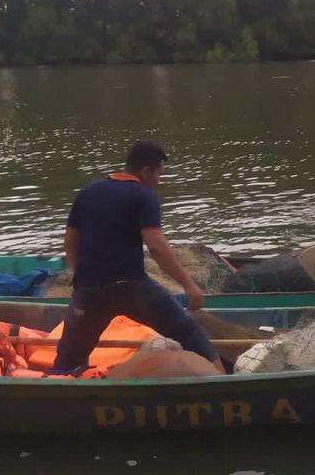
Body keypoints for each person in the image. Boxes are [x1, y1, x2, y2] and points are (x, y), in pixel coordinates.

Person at [51, 140, 220, 374]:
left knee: (68, 358)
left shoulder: (87, 192)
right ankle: (221, 380)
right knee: (190, 333)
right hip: (132, 288)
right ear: (145, 171)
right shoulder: (143, 195)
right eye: (159, 174)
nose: (159, 181)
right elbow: (156, 247)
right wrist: (189, 286)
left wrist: (82, 280)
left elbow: (70, 243)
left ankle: (63, 388)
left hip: (88, 291)